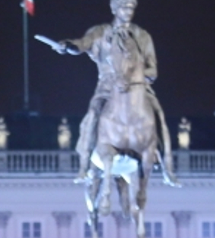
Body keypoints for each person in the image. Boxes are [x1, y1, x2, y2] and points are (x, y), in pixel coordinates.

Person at [55, 0, 173, 181]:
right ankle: (84, 164)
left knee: (158, 115)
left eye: (131, 8)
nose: (128, 11)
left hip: (138, 88)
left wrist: (134, 77)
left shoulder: (143, 36)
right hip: (108, 88)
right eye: (124, 7)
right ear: (114, 9)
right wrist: (68, 46)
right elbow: (82, 44)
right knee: (93, 114)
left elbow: (153, 71)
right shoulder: (100, 32)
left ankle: (166, 166)